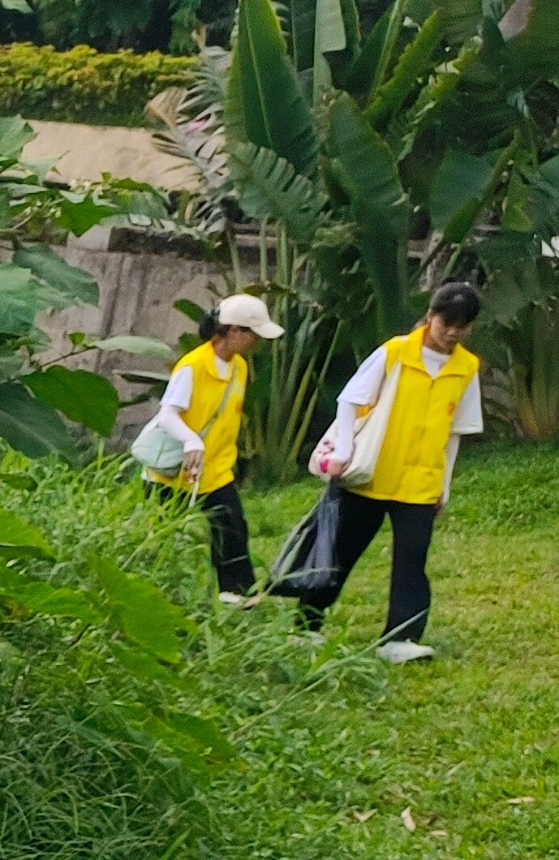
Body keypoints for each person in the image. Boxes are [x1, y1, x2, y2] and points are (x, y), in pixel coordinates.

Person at [298, 280, 483, 662]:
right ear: (430, 316)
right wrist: (344, 449)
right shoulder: (396, 352)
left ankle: (400, 639)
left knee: (412, 559)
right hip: (371, 474)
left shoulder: (467, 367)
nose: (452, 332)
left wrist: (444, 485)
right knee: (341, 551)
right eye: (446, 322)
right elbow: (350, 400)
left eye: (462, 325)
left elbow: (455, 432)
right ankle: (307, 625)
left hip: (421, 481)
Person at [137, 293, 284, 601]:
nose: (256, 342)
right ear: (233, 331)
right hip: (174, 471)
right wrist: (191, 440)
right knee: (163, 536)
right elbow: (168, 414)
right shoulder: (193, 366)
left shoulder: (239, 367)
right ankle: (156, 594)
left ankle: (236, 595)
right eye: (253, 334)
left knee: (232, 527)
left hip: (216, 469)